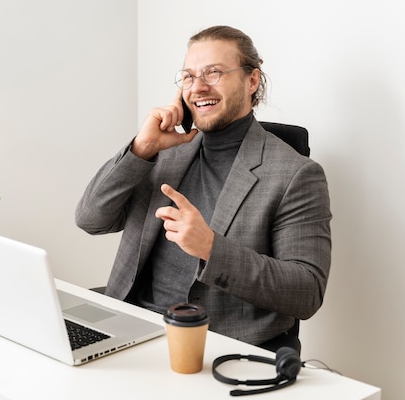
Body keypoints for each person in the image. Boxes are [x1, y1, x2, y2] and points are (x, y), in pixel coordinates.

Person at [75, 25, 331, 352]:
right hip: (133, 330)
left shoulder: (295, 174)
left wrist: (211, 248)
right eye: (188, 76)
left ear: (252, 80)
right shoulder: (163, 152)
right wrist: (142, 148)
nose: (198, 87)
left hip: (218, 347)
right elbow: (91, 220)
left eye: (213, 73)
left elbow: (306, 292)